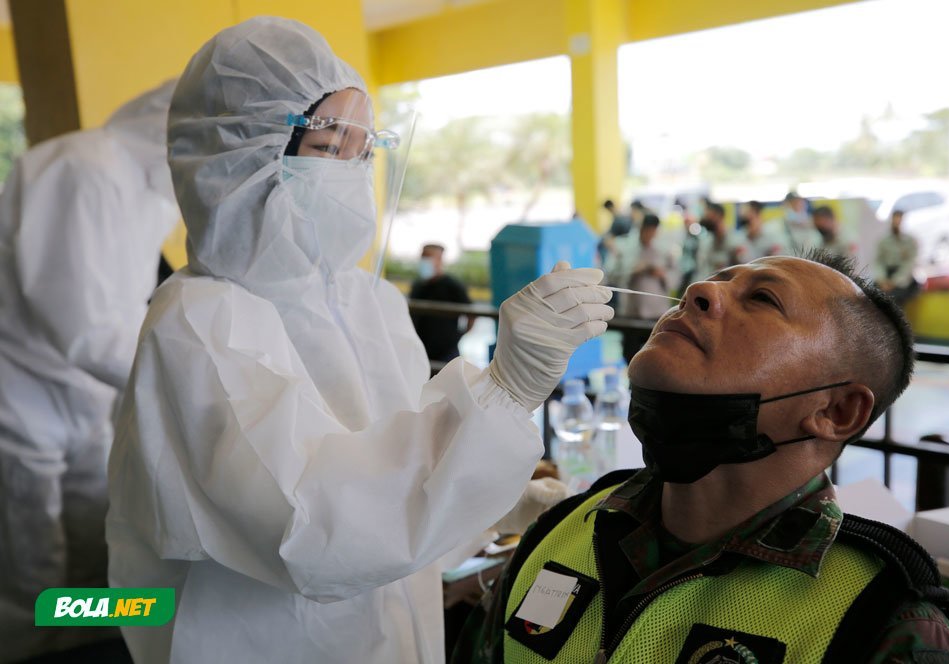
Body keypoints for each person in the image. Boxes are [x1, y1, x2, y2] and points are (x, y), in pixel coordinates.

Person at [105, 17, 613, 664]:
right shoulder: (201, 321)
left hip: (390, 633)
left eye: (362, 150)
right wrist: (506, 392)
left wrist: (493, 502)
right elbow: (311, 529)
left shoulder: (365, 299)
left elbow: (394, 465)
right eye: (327, 148)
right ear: (239, 158)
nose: (351, 173)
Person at [456, 250, 949, 663]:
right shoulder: (562, 532)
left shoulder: (883, 626)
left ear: (836, 410)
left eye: (763, 299)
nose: (700, 290)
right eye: (718, 279)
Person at [0, 80, 178, 662]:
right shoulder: (82, 166)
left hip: (86, 403)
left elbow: (129, 306)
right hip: (22, 401)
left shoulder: (153, 189)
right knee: (31, 575)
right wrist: (183, 385)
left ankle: (83, 647)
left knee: (96, 561)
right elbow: (79, 323)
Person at [605, 214, 674, 363]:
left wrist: (662, 275)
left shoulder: (665, 250)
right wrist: (633, 271)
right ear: (640, 228)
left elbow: (676, 278)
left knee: (657, 356)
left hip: (656, 313)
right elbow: (611, 275)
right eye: (645, 230)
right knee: (631, 355)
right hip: (632, 311)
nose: (648, 235)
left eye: (652, 231)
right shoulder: (625, 247)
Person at [409, 243, 475, 363]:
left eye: (428, 257)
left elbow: (472, 314)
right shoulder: (417, 286)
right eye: (423, 257)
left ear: (439, 259)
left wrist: (459, 335)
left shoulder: (453, 286)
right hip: (420, 350)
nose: (424, 261)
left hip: (447, 353)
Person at [875, 209, 920, 306]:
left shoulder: (910, 242)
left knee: (896, 298)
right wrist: (882, 279)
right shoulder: (884, 241)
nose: (896, 224)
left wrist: (894, 282)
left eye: (899, 221)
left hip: (902, 278)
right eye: (894, 221)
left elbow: (909, 264)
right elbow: (878, 261)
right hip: (886, 275)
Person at [692, 202, 739, 282]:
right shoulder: (706, 242)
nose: (705, 218)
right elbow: (701, 271)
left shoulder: (736, 241)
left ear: (718, 215)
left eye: (707, 215)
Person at [780, 191, 821, 256]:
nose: (797, 207)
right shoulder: (778, 227)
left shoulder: (814, 224)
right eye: (793, 205)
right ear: (786, 206)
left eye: (799, 204)